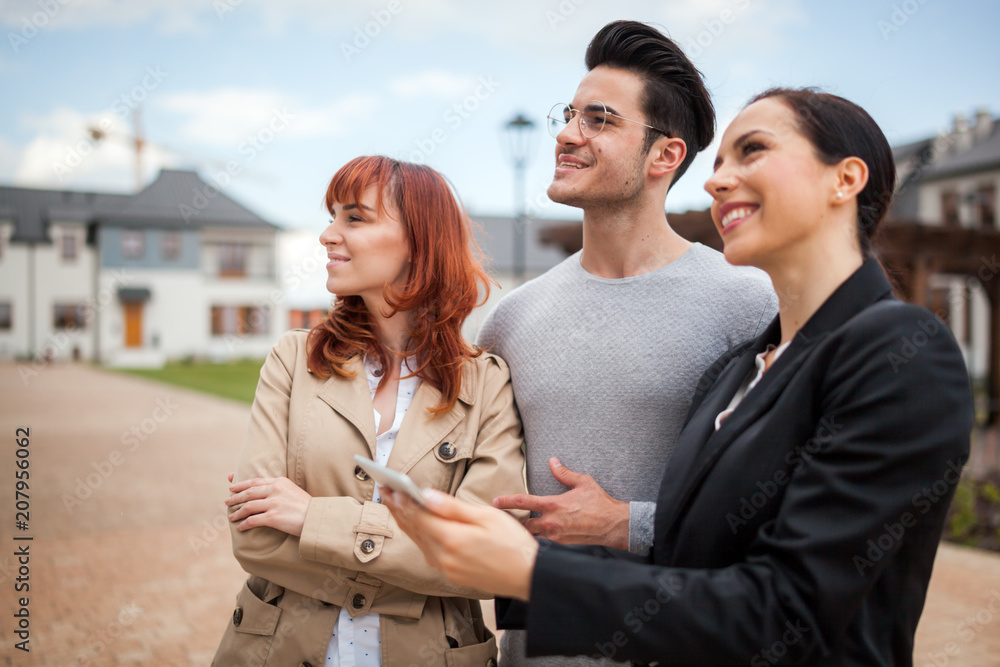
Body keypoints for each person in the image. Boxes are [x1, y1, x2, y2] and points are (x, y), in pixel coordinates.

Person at [384, 88, 975, 665]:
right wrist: (506, 555)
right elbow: (695, 565)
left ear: (844, 180)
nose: (717, 179)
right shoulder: (741, 368)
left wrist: (532, 571)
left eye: (754, 151)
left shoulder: (902, 351)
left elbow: (791, 613)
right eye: (718, 163)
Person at [478, 20, 775, 664]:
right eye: (569, 115)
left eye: (600, 119)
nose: (566, 133)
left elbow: (783, 499)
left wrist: (625, 524)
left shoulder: (750, 303)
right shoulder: (510, 319)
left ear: (663, 156)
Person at [212, 156, 526, 666]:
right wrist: (414, 563)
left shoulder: (487, 383)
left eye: (354, 218)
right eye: (332, 216)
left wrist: (310, 516)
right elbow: (256, 536)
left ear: (419, 242)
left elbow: (481, 560)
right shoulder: (293, 359)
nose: (327, 235)